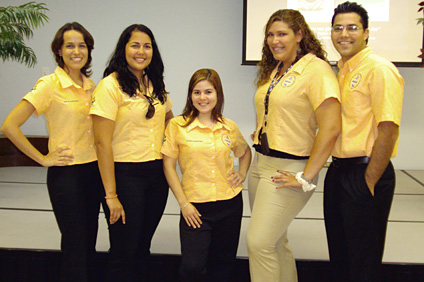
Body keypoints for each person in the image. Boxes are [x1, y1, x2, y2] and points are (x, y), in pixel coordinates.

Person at [1, 22, 103, 282]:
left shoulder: (93, 87)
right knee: (75, 246)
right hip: (65, 175)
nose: (76, 51)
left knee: (89, 241)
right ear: (59, 50)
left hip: (93, 171)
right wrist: (42, 158)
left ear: (89, 50)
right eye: (70, 45)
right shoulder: (49, 84)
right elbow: (9, 126)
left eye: (82, 45)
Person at [246, 9, 341, 282]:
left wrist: (306, 177)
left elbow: (331, 128)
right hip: (261, 164)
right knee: (275, 242)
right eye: (270, 35)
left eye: (282, 34)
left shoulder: (316, 69)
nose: (275, 40)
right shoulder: (276, 69)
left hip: (290, 167)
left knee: (259, 243)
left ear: (299, 35)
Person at [324, 2, 404, 282]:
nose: (344, 34)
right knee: (340, 256)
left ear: (367, 32)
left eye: (352, 28)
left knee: (363, 262)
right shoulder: (340, 70)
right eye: (338, 28)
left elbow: (388, 128)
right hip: (338, 171)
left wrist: (369, 179)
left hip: (366, 172)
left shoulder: (379, 69)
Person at [89, 24, 173, 282]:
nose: (141, 51)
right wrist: (111, 195)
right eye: (135, 45)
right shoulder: (109, 86)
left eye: (147, 46)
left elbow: (170, 120)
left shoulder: (155, 83)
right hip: (125, 177)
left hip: (156, 176)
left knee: (143, 246)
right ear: (123, 49)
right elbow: (102, 145)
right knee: (123, 250)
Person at [161, 69, 251, 282]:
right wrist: (184, 204)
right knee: (192, 267)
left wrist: (242, 173)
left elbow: (245, 152)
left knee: (223, 264)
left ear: (217, 94)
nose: (203, 98)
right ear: (190, 95)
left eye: (208, 92)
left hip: (229, 204)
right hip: (195, 207)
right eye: (197, 92)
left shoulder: (229, 126)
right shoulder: (177, 126)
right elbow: (168, 166)